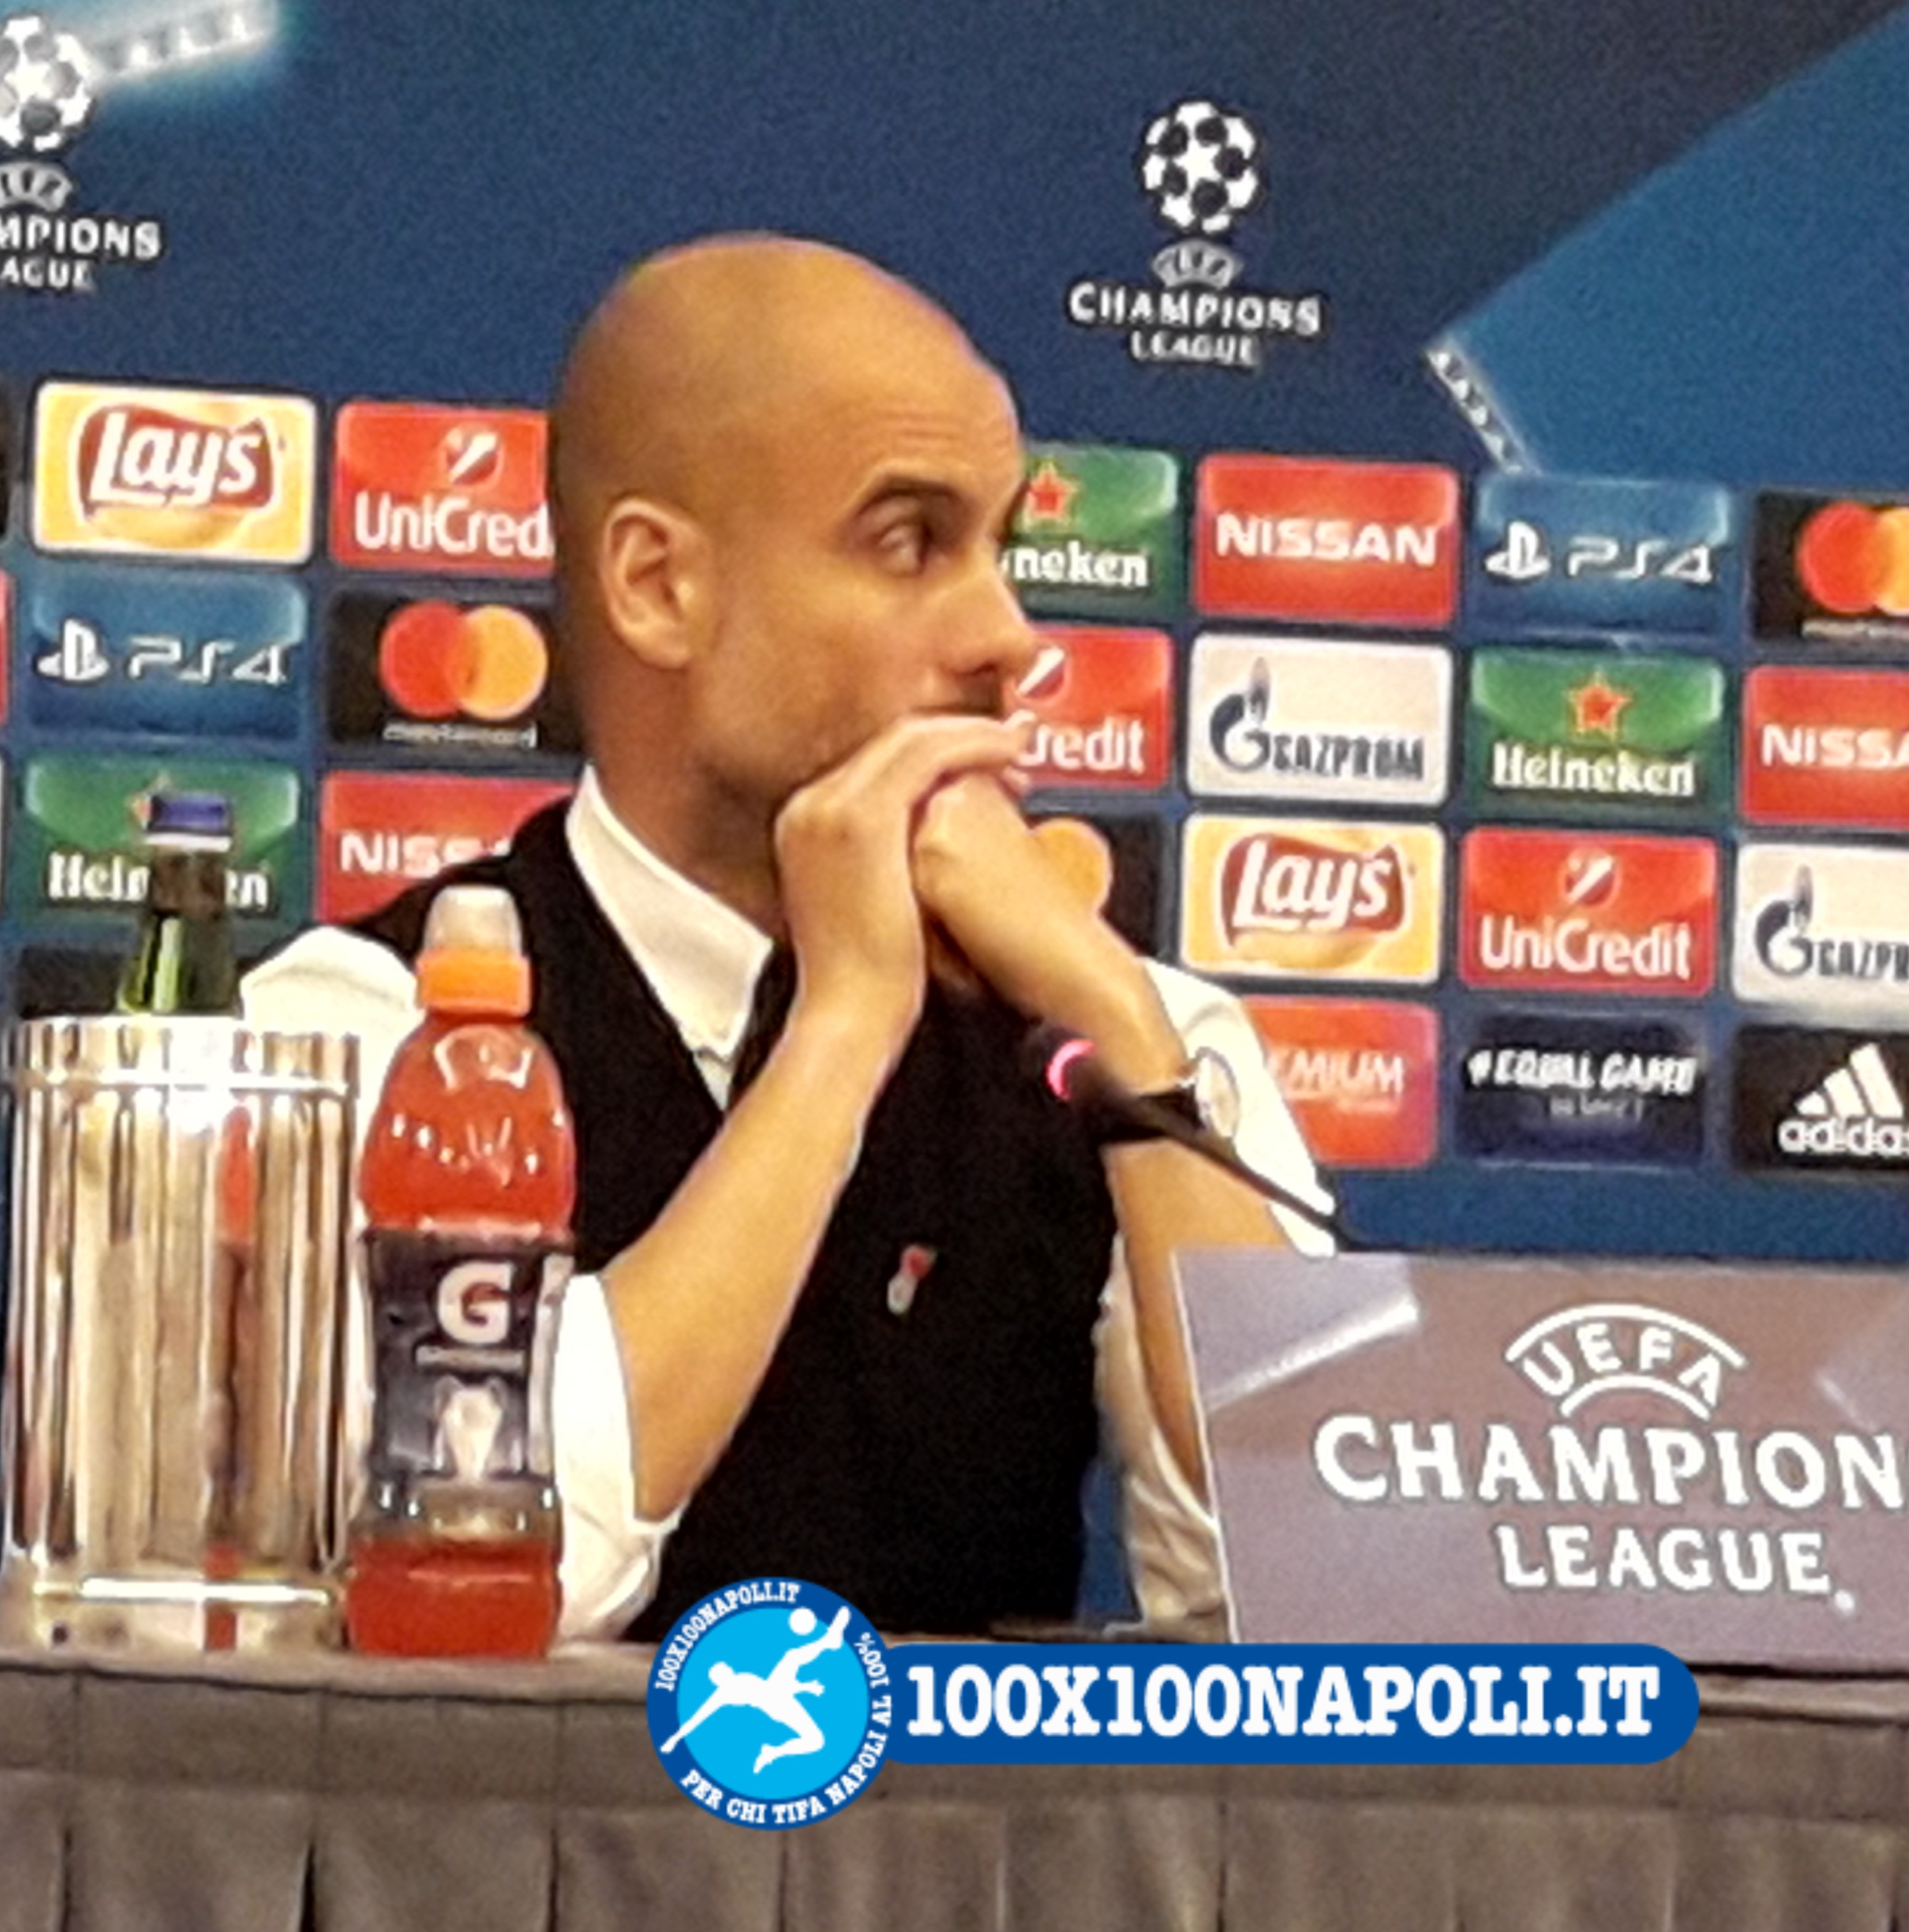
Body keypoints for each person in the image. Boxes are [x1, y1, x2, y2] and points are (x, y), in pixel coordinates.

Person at [247, 235, 1327, 1642]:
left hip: (978, 1864)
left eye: (1004, 547)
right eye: (908, 543)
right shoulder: (360, 1032)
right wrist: (841, 1027)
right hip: (529, 1861)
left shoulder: (1125, 1040)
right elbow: (495, 1585)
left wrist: (1126, 1033)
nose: (1007, 637)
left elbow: (1333, 1605)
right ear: (656, 588)